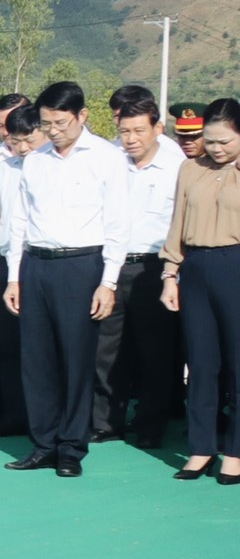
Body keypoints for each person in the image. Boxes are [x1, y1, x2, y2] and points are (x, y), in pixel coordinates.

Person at [1, 81, 128, 476]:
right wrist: (14, 277)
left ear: (82, 116)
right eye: (46, 124)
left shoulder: (106, 158)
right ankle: (43, 444)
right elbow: (19, 221)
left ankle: (72, 447)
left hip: (82, 266)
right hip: (36, 266)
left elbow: (117, 225)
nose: (53, 131)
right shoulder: (35, 161)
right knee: (36, 361)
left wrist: (108, 282)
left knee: (76, 359)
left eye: (60, 122)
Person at [93, 86, 181, 447]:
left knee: (155, 352)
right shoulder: (106, 161)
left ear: (157, 128)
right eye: (124, 131)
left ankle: (150, 425)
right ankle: (105, 423)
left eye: (139, 131)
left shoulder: (176, 166)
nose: (130, 139)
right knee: (105, 351)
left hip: (153, 269)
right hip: (110, 268)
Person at [164, 99, 240, 482]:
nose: (215, 148)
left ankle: (236, 452)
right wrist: (169, 274)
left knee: (238, 364)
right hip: (195, 269)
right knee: (202, 363)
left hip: (237, 266)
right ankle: (200, 448)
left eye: (224, 141)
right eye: (209, 141)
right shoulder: (190, 169)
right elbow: (178, 222)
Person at [0, 96, 38, 434]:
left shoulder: (48, 165)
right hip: (5, 263)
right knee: (8, 346)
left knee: (40, 346)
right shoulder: (5, 167)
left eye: (25, 139)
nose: (20, 147)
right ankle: (14, 414)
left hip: (38, 261)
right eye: (13, 140)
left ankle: (41, 417)